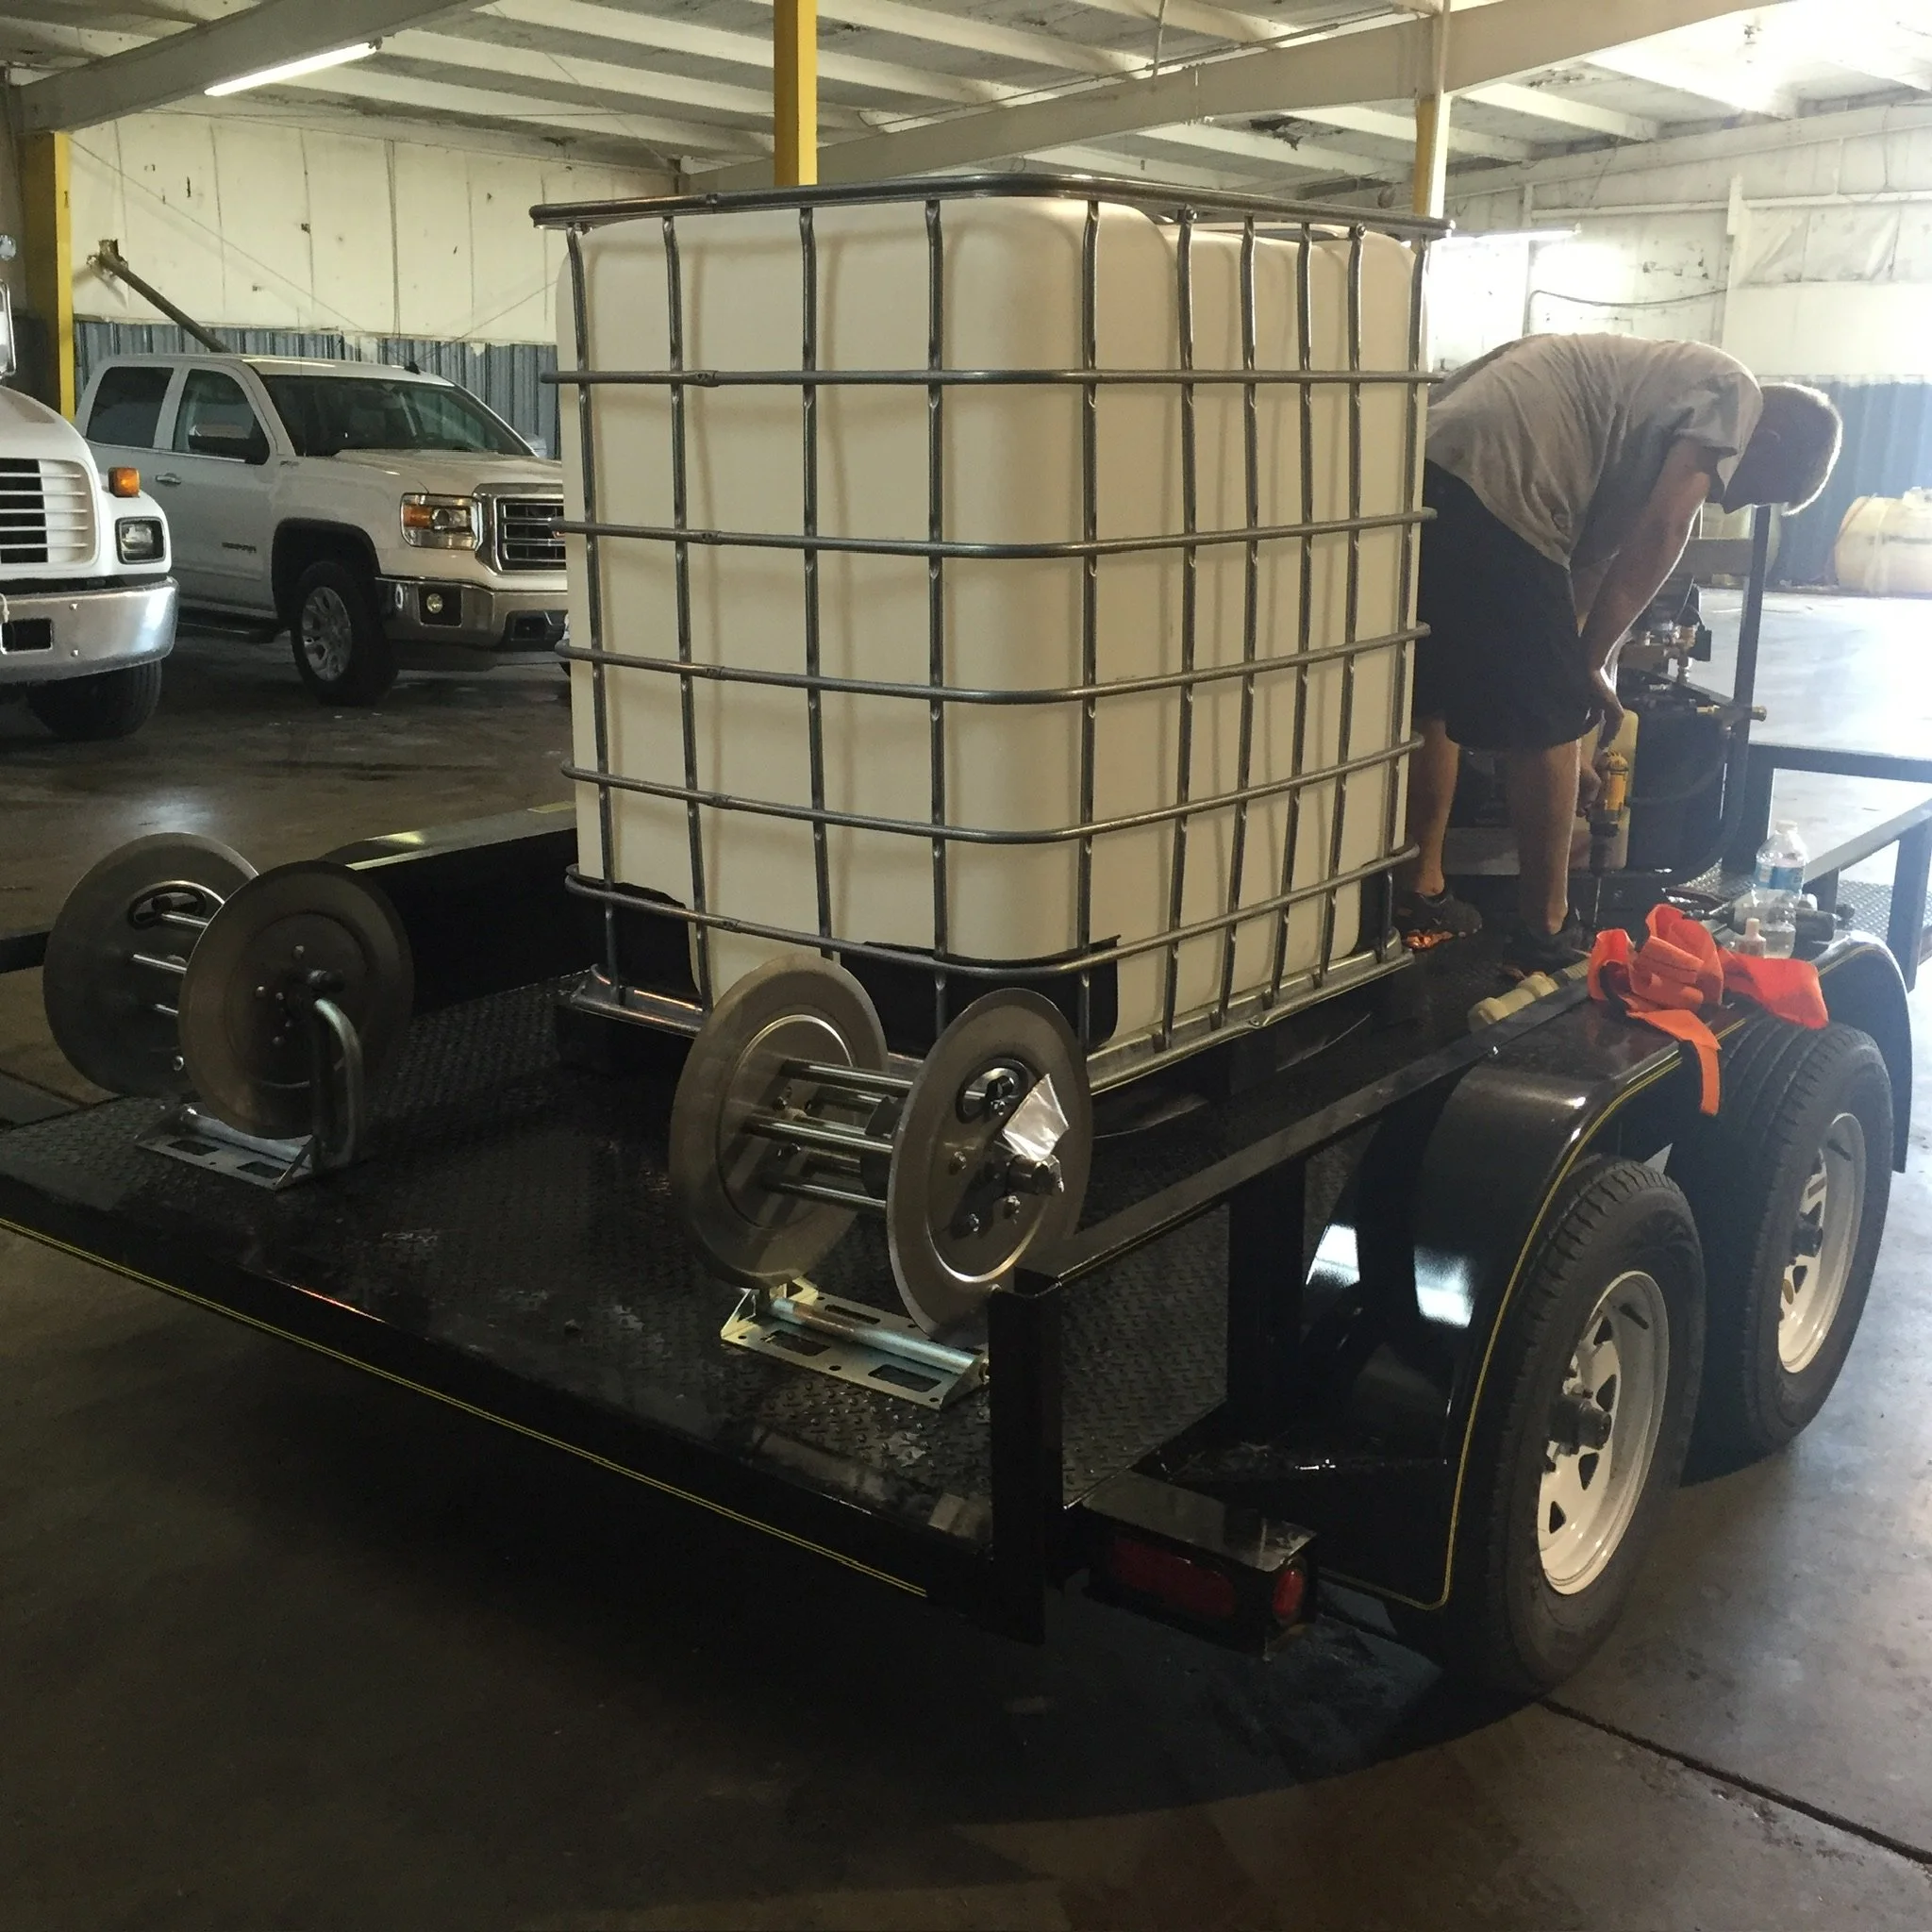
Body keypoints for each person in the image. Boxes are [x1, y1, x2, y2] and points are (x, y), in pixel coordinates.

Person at [1396, 332, 1842, 972]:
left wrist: (1586, 688)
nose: (1734, 501)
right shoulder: (1734, 391)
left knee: (1434, 695)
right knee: (1545, 720)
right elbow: (1665, 531)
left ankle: (1423, 891)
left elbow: (1579, 592)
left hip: (1430, 461)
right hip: (1509, 473)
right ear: (1764, 443)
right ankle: (1546, 931)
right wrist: (1572, 696)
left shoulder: (1637, 410)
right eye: (1757, 490)